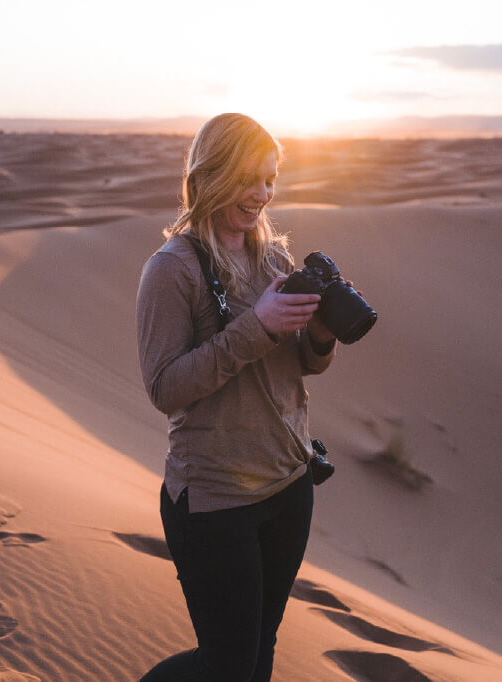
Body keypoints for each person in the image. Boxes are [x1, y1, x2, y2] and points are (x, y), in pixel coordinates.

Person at [136, 113, 337, 681]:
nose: (262, 193)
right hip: (215, 501)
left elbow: (297, 367)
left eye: (270, 179)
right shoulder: (171, 269)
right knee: (225, 664)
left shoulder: (273, 258)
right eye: (250, 177)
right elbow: (165, 387)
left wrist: (319, 337)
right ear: (212, 173)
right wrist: (259, 325)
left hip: (288, 486)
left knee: (258, 653)